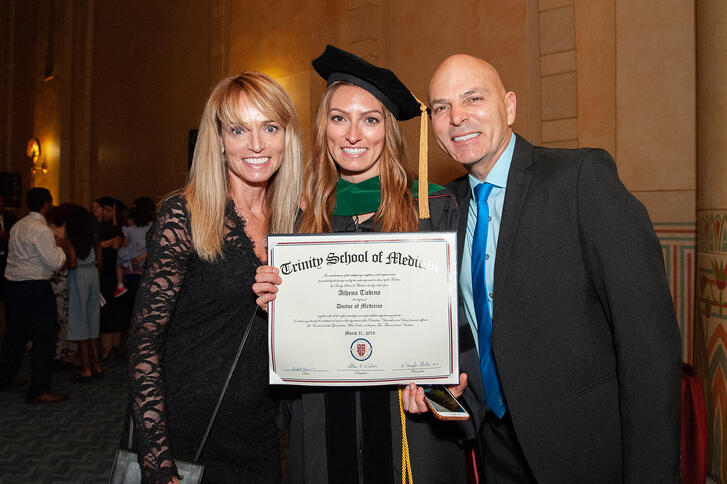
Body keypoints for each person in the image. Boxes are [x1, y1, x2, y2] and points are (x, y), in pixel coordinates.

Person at [403, 54, 681, 483]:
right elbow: (465, 336)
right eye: (440, 107)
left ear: (509, 106)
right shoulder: (446, 211)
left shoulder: (579, 179)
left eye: (473, 98)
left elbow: (648, 343)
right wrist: (445, 393)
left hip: (587, 451)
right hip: (496, 450)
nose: (457, 117)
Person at [254, 45, 468, 483]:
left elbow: (465, 327)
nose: (353, 134)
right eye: (339, 118)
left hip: (407, 419)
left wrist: (442, 388)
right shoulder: (297, 214)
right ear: (324, 127)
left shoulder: (433, 207)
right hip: (320, 413)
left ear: (387, 130)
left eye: (370, 119)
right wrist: (272, 301)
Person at [127, 71, 302, 483]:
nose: (256, 144)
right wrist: (157, 457)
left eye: (270, 127)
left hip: (260, 432)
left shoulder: (296, 222)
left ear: (286, 137)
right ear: (219, 141)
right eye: (239, 129)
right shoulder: (183, 216)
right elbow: (144, 340)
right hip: (186, 432)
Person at [0, 187, 68, 403]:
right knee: (43, 338)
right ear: (46, 204)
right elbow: (55, 262)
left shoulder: (17, 225)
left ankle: (5, 378)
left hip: (12, 287)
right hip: (35, 288)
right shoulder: (41, 230)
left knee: (14, 336)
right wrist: (59, 246)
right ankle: (39, 389)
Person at [64, 205, 102, 381]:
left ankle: (86, 368)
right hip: (93, 273)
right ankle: (97, 366)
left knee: (80, 320)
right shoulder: (93, 234)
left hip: (78, 274)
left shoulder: (71, 235)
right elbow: (100, 260)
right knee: (93, 319)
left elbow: (71, 262)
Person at [113, 205, 151, 298]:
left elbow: (125, 244)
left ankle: (120, 285)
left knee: (118, 263)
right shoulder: (150, 227)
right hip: (145, 258)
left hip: (132, 257)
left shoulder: (129, 230)